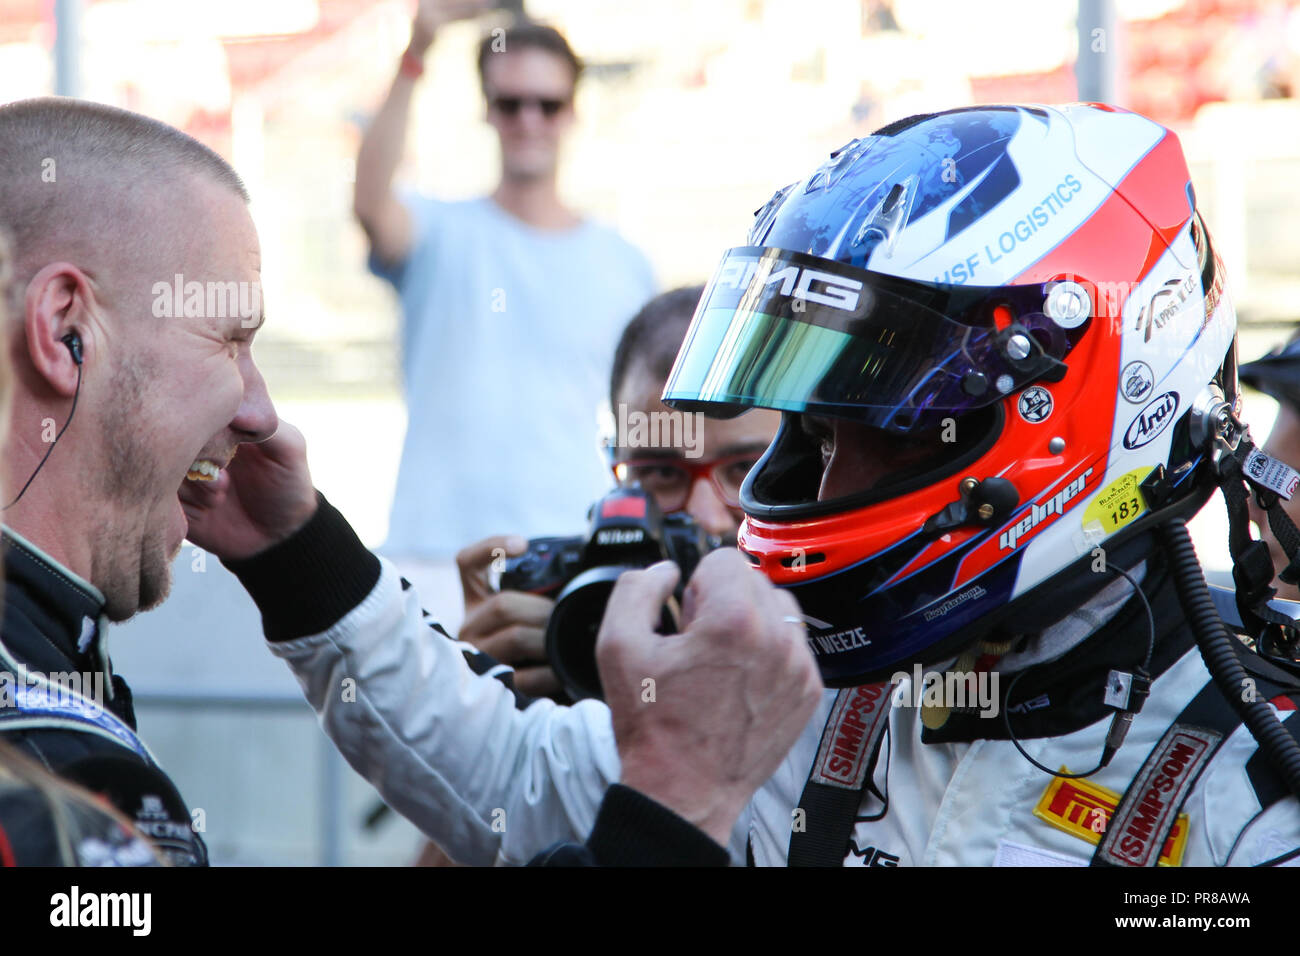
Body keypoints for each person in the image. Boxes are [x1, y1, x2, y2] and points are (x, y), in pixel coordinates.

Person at [253, 103, 1300, 867]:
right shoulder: (796, 690)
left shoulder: (1251, 784)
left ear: (1060, 411)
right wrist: (285, 536)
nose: (813, 476)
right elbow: (500, 772)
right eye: (809, 427)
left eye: (879, 425)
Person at [0, 97, 290, 866]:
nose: (260, 414)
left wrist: (310, 571)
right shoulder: (38, 773)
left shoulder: (45, 683)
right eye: (230, 341)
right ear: (67, 332)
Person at [355, 0, 657, 628]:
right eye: (509, 102)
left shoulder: (622, 262)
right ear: (486, 111)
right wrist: (419, 47)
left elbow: (651, 422)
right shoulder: (438, 231)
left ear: (571, 112)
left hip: (569, 551)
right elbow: (369, 203)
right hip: (433, 549)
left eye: (546, 104)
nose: (528, 120)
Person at [454, 285, 781, 699]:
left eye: (745, 469)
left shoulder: (857, 649)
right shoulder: (577, 616)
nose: (706, 516)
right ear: (616, 470)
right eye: (662, 472)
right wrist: (483, 707)